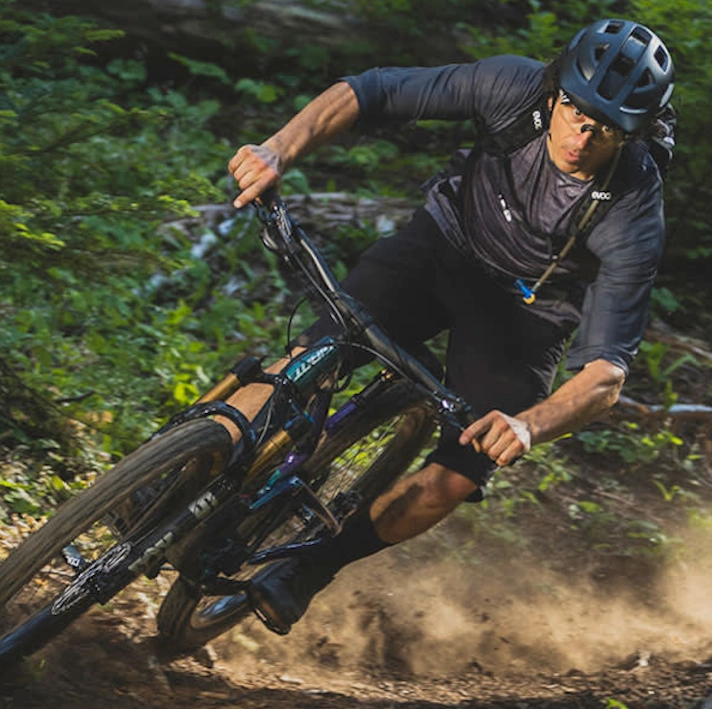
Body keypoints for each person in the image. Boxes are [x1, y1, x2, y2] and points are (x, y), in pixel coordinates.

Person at [224, 18, 676, 634]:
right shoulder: (509, 87)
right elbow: (370, 91)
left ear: (634, 135)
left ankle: (309, 568)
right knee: (314, 355)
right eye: (575, 109)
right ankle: (185, 467)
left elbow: (605, 375)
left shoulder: (632, 212)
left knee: (460, 471)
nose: (583, 133)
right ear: (554, 91)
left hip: (525, 316)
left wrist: (526, 425)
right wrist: (278, 149)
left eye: (607, 128)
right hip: (443, 245)